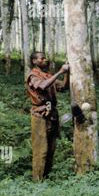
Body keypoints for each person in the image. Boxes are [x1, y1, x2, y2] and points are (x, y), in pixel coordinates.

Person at [26, 52, 70, 182]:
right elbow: (43, 86)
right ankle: (37, 182)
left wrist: (66, 73)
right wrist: (60, 71)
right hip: (39, 116)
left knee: (51, 149)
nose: (45, 60)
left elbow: (63, 87)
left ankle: (46, 179)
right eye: (42, 58)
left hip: (52, 116)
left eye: (45, 57)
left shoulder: (47, 75)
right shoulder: (32, 75)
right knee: (41, 151)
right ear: (34, 61)